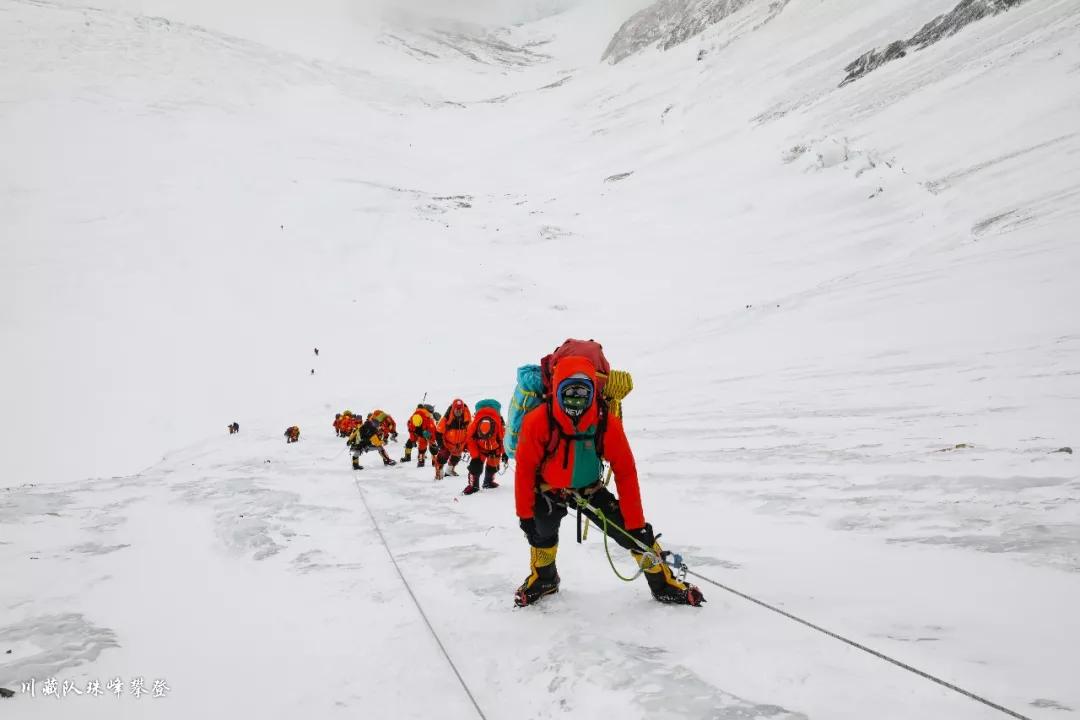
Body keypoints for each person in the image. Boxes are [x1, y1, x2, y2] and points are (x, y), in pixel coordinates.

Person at [513, 356, 704, 607]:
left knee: (633, 535)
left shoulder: (605, 422)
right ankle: (545, 579)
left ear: (592, 392)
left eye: (582, 392)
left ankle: (663, 584)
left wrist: (635, 523)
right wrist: (525, 515)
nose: (576, 399)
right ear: (558, 388)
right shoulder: (538, 420)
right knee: (541, 533)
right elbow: (525, 470)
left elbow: (625, 472)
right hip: (548, 489)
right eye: (570, 391)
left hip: (589, 488)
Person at [462, 399, 506, 495]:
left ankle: (488, 482)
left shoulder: (499, 425)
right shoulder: (474, 425)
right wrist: (475, 457)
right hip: (480, 448)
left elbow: (503, 439)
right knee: (475, 466)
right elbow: (470, 439)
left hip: (494, 449)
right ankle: (473, 486)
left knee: (493, 466)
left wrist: (504, 453)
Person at [434, 399, 470, 480]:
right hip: (447, 443)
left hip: (459, 444)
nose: (458, 412)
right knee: (442, 457)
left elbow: (469, 431)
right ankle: (439, 472)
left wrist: (466, 444)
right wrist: (441, 446)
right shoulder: (446, 419)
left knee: (456, 458)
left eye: (460, 410)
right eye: (456, 410)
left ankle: (449, 471)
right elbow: (438, 433)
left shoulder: (467, 418)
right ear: (453, 408)